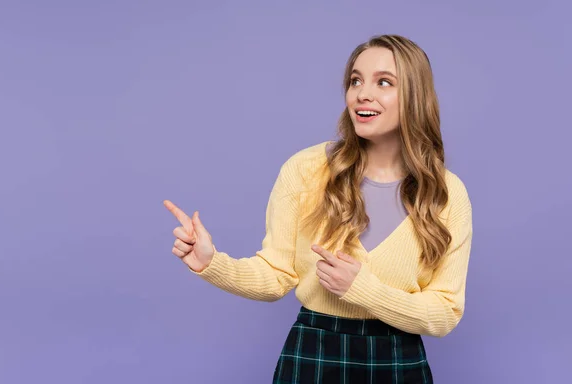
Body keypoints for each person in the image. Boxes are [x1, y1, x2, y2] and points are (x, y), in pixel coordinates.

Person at [163, 34, 473, 383]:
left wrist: (365, 290)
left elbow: (445, 313)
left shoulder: (446, 194)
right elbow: (275, 275)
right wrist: (211, 263)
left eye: (383, 82)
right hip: (314, 351)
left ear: (415, 97)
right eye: (355, 80)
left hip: (397, 360)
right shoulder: (306, 169)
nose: (362, 93)